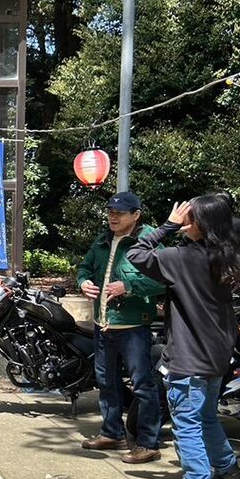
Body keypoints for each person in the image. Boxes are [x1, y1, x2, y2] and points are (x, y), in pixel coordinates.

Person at [127, 195, 240, 479]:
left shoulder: (181, 258)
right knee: (206, 417)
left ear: (201, 224)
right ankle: (228, 472)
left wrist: (167, 225)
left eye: (188, 216)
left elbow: (136, 254)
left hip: (189, 357)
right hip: (217, 355)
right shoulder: (226, 256)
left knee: (187, 425)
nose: (183, 220)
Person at [76, 192, 167, 463]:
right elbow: (85, 268)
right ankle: (112, 432)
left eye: (120, 213)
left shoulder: (150, 241)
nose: (113, 217)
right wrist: (83, 282)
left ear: (136, 215)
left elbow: (166, 279)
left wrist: (129, 287)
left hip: (133, 325)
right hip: (103, 323)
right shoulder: (102, 239)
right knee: (106, 381)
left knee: (142, 384)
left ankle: (148, 443)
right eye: (110, 212)